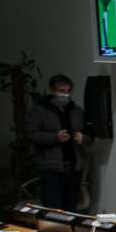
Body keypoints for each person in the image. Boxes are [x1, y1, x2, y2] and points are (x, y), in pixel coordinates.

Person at [25, 74, 89, 211]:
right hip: (51, 167)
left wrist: (84, 138)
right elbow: (31, 134)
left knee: (71, 207)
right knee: (53, 208)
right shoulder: (39, 110)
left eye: (67, 91)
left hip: (74, 166)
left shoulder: (77, 111)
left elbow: (90, 134)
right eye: (61, 91)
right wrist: (55, 137)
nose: (65, 95)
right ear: (52, 90)